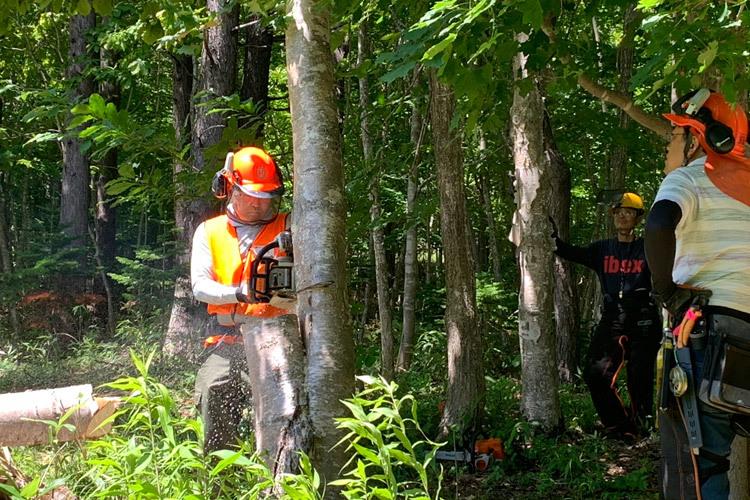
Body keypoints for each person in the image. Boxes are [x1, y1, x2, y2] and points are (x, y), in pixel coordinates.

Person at [645, 89, 750, 500]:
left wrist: (667, 293)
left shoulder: (688, 177)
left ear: (696, 140)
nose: (668, 147)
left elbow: (657, 226)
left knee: (697, 466)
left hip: (704, 335)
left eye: (674, 136)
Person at [191, 146, 291, 454]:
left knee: (291, 406)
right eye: (252, 196)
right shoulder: (209, 232)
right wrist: (238, 291)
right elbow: (200, 286)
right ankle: (224, 480)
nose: (260, 205)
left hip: (282, 337)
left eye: (267, 197)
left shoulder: (290, 225)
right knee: (213, 388)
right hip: (231, 338)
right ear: (230, 187)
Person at [553, 193, 661, 440]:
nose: (623, 216)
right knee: (594, 370)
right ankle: (619, 425)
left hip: (643, 312)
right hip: (613, 313)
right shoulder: (602, 249)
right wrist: (551, 236)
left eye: (629, 212)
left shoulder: (648, 248)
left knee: (639, 376)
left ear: (638, 218)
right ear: (613, 217)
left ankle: (643, 429)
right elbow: (569, 252)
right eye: (618, 212)